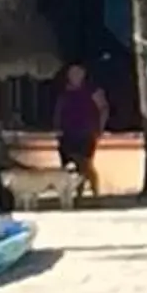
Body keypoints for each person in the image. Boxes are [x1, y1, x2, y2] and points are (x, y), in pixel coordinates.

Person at [54, 63, 107, 201]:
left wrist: (100, 128)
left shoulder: (93, 90)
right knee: (69, 165)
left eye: (77, 73)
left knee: (85, 164)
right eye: (71, 73)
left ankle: (93, 193)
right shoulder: (64, 91)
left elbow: (103, 108)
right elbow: (59, 110)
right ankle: (72, 194)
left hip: (86, 131)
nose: (74, 76)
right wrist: (57, 128)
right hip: (67, 132)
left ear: (83, 74)